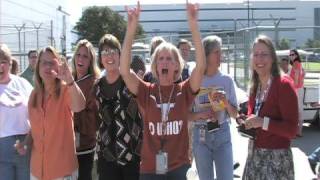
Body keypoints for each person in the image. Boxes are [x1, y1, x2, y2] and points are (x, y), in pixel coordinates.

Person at [119, 2, 206, 179]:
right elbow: (124, 70)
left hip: (179, 167)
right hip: (151, 169)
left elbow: (201, 66)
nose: (164, 62)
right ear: (155, 66)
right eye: (160, 59)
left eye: (169, 59)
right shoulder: (146, 91)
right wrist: (131, 28)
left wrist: (193, 26)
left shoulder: (184, 90)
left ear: (176, 66)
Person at [16, 46, 86, 180]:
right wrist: (26, 143)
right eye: (43, 62)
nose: (48, 66)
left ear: (58, 65)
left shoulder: (66, 90)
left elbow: (79, 106)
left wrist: (70, 81)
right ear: (38, 68)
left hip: (62, 171)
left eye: (52, 62)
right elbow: (36, 128)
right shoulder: (34, 95)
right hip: (37, 171)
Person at [240, 35, 298, 179]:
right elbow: (255, 118)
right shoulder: (255, 85)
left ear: (272, 58)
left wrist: (262, 122)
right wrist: (245, 121)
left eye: (264, 54)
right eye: (256, 54)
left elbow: (291, 130)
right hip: (254, 157)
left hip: (276, 161)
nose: (259, 59)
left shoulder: (283, 85)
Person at [93, 33, 143, 180]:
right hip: (107, 156)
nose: (110, 56)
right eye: (105, 52)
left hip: (132, 155)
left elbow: (144, 110)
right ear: (100, 58)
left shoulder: (129, 79)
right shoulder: (97, 87)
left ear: (120, 55)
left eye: (113, 51)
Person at [189, 35, 238, 180]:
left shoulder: (227, 80)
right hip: (201, 134)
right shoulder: (195, 80)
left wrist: (226, 103)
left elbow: (235, 115)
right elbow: (186, 114)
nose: (221, 56)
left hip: (222, 132)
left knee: (226, 177)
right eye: (217, 52)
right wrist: (201, 115)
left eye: (220, 52)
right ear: (206, 55)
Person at [0, 44, 33, 180]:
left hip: (25, 146)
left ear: (10, 63)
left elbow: (37, 110)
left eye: (3, 62)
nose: (0, 67)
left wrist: (28, 141)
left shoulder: (22, 83)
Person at [71, 39, 100, 180]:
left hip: (84, 147)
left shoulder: (94, 83)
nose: (81, 59)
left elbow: (93, 120)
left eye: (85, 56)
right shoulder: (68, 79)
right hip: (66, 146)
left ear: (90, 61)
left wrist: (74, 121)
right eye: (78, 54)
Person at [289, 49, 305, 137]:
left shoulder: (296, 63)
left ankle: (295, 132)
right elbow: (303, 74)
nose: (291, 56)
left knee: (295, 110)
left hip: (296, 89)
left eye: (293, 54)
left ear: (296, 55)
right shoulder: (299, 63)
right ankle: (299, 132)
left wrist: (293, 88)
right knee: (299, 110)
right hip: (300, 89)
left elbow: (296, 77)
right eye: (290, 55)